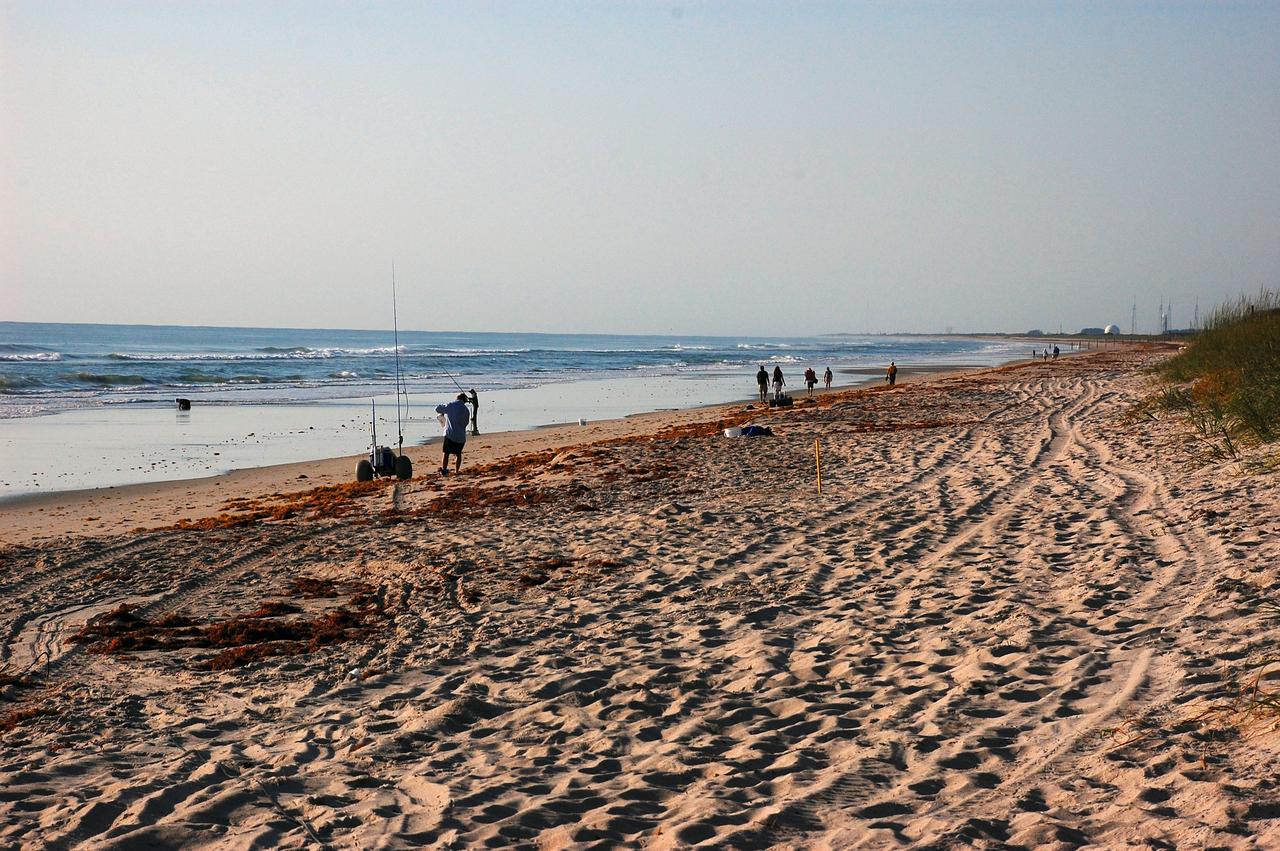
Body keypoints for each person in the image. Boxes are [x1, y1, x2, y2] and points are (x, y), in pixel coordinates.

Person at [435, 392, 471, 475]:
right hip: (461, 437)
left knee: (446, 453)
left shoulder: (451, 405)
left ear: (457, 398)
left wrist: (444, 411)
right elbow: (466, 423)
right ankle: (457, 471)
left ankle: (444, 469)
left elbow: (437, 408)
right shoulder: (466, 410)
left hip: (450, 435)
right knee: (458, 454)